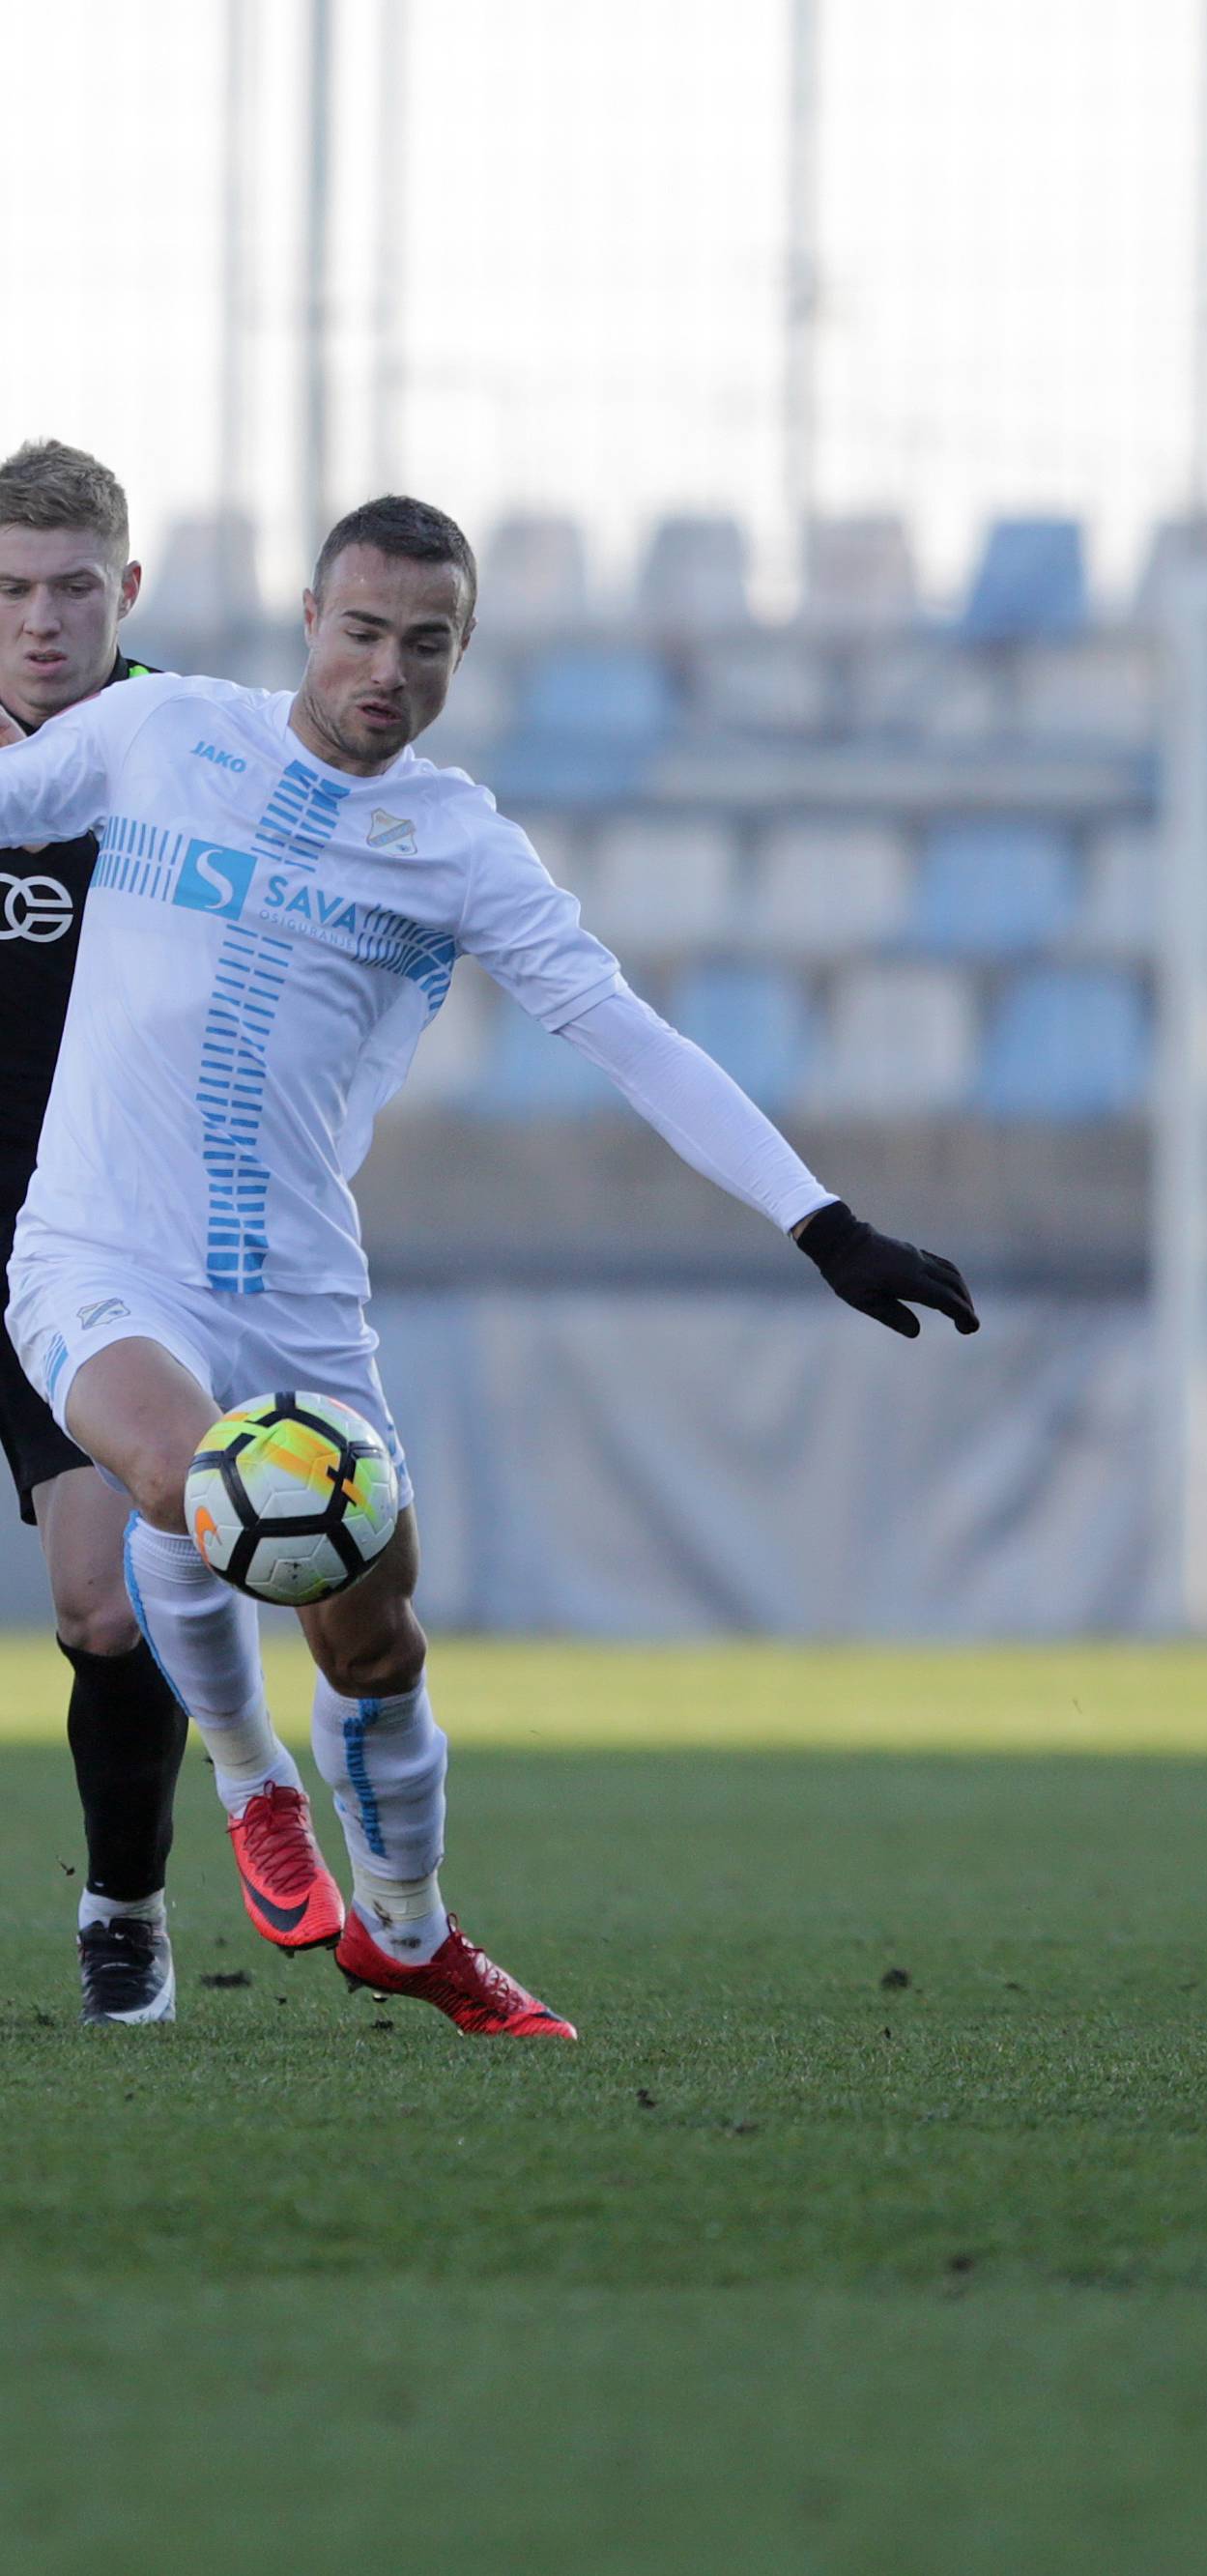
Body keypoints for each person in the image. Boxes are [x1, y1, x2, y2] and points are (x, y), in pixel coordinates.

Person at [0, 492, 979, 2042]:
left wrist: (824, 1221)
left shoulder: (457, 846)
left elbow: (630, 1040)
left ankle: (410, 1927)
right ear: (309, 615)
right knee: (194, 1476)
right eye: (364, 628)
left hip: (301, 1297)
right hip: (98, 1255)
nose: (388, 666)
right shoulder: (162, 732)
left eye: (426, 642)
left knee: (377, 1629)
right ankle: (255, 1778)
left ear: (463, 654)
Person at [0, 440, 188, 2027]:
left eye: (72, 588)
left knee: (106, 1608)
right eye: (8, 590)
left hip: (77, 1247)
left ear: (125, 589)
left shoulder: (192, 750)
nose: (40, 622)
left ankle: (124, 1909)